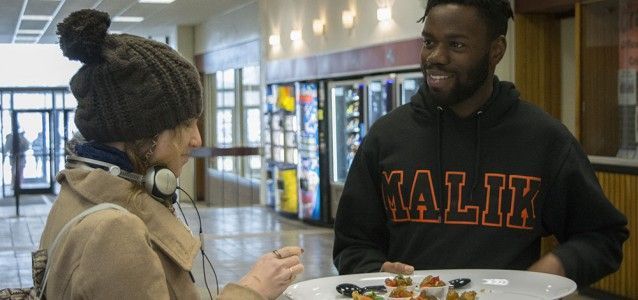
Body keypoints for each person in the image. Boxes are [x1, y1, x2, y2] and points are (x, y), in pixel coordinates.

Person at [333, 0, 629, 288]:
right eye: (429, 42)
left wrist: (554, 266)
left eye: (456, 45)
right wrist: (375, 272)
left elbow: (602, 236)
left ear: (496, 50)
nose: (436, 56)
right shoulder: (386, 137)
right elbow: (353, 245)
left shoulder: (543, 139)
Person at [39, 9, 303, 300]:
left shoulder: (78, 192)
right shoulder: (114, 231)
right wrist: (253, 288)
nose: (196, 139)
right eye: (186, 123)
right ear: (143, 130)